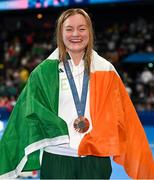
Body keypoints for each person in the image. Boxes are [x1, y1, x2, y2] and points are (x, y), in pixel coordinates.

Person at [0, 8, 154, 179]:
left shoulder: (106, 70)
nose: (76, 34)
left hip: (96, 158)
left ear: (90, 31)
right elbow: (24, 113)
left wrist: (143, 165)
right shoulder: (43, 72)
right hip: (57, 157)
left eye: (82, 28)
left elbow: (126, 116)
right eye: (69, 29)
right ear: (60, 33)